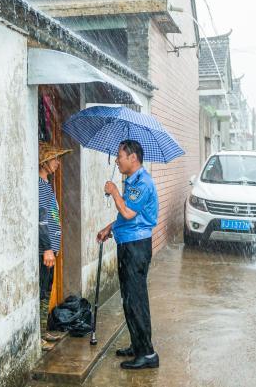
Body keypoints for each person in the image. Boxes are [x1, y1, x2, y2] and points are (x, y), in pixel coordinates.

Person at [97, 139, 159, 370]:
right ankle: (137, 345)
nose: (116, 160)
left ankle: (148, 354)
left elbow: (129, 212)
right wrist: (109, 228)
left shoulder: (143, 183)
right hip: (128, 244)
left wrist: (113, 192)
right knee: (129, 299)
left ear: (133, 158)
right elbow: (124, 218)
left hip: (136, 248)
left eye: (120, 156)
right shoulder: (133, 181)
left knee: (136, 300)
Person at [38, 142, 72, 351]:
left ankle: (43, 331)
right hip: (45, 250)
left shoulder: (46, 184)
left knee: (47, 290)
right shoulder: (39, 185)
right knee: (41, 291)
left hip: (50, 249)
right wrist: (48, 248)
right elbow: (40, 220)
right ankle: (37, 336)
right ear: (44, 161)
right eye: (54, 159)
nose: (58, 163)